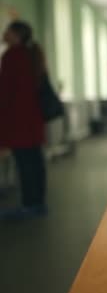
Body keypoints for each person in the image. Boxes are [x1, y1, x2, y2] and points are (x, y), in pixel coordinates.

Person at [0, 20, 48, 220]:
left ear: (16, 35)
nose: (4, 33)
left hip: (18, 120)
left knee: (25, 164)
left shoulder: (12, 56)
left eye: (8, 31)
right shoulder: (32, 55)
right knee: (35, 161)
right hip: (33, 119)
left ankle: (29, 205)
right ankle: (38, 203)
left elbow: (5, 91)